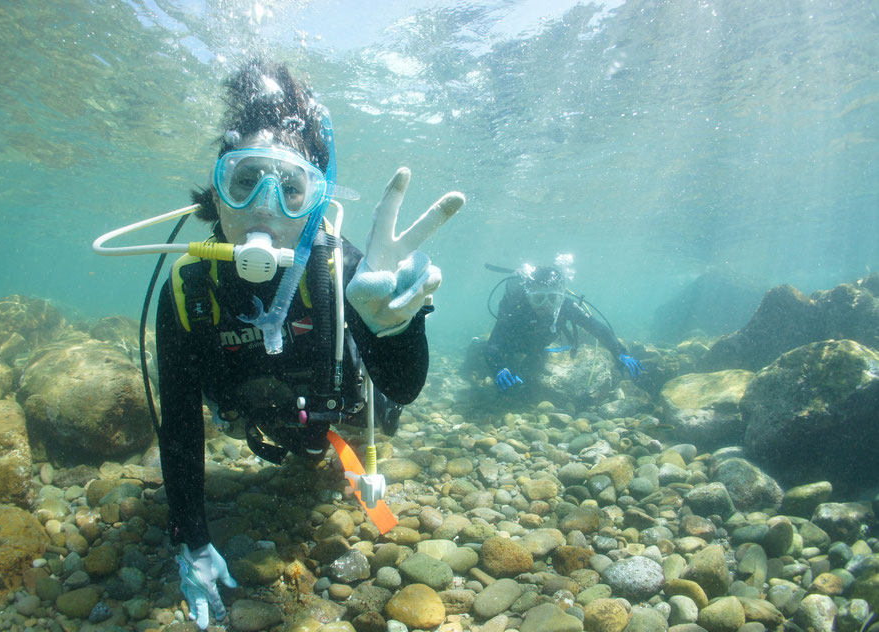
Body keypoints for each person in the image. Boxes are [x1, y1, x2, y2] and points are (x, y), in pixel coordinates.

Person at [155, 60, 463, 629]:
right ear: (217, 192)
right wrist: (191, 541)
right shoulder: (186, 291)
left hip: (339, 407)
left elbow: (404, 387)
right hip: (263, 417)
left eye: (292, 190)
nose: (265, 208)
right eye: (244, 182)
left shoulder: (348, 269)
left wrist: (398, 329)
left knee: (383, 415)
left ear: (317, 200)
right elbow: (178, 425)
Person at [482, 254, 642, 391]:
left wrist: (620, 352)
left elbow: (597, 328)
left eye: (553, 298)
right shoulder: (517, 308)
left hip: (539, 346)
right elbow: (494, 345)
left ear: (561, 296)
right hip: (514, 346)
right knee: (508, 386)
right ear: (528, 295)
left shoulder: (566, 306)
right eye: (538, 298)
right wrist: (499, 368)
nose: (545, 305)